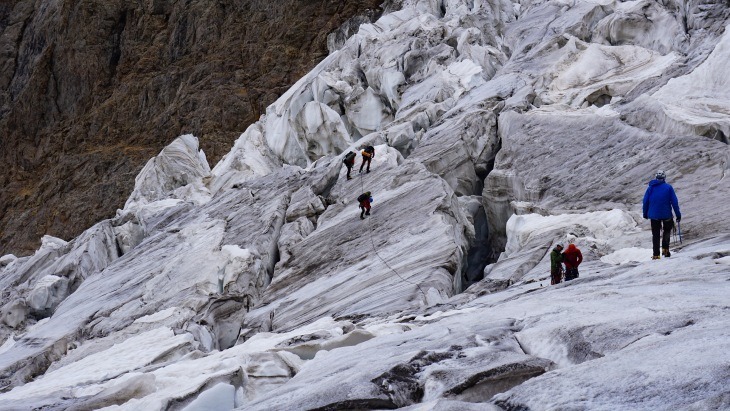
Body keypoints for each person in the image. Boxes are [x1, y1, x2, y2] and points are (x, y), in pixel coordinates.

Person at [642, 170, 681, 259]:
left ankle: (656, 254)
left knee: (655, 235)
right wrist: (678, 214)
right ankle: (665, 250)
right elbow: (674, 202)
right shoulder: (668, 187)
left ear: (656, 177)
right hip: (666, 214)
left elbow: (645, 202)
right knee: (666, 232)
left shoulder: (650, 188)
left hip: (654, 216)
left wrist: (645, 213)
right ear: (664, 178)